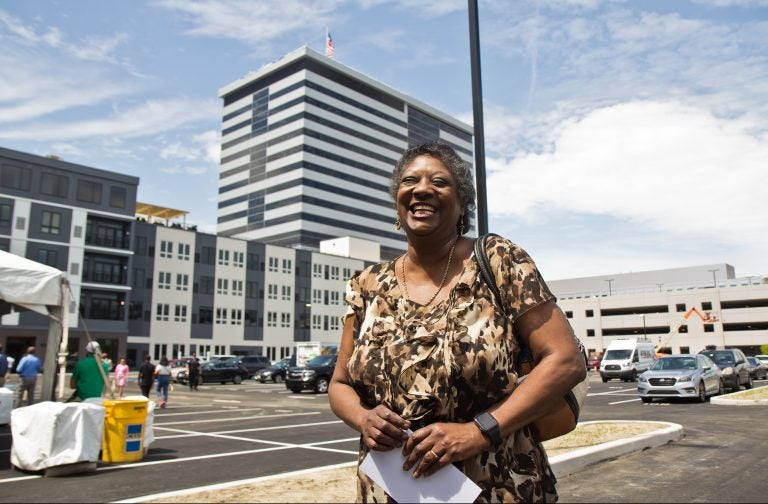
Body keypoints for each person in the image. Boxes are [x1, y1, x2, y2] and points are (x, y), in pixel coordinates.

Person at [328, 142, 586, 502]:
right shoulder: (366, 285)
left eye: (439, 182)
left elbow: (565, 360)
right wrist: (362, 418)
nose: (421, 189)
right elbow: (340, 384)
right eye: (409, 180)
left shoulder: (497, 260)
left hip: (495, 484)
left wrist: (478, 432)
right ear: (397, 202)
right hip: (392, 488)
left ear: (462, 203)